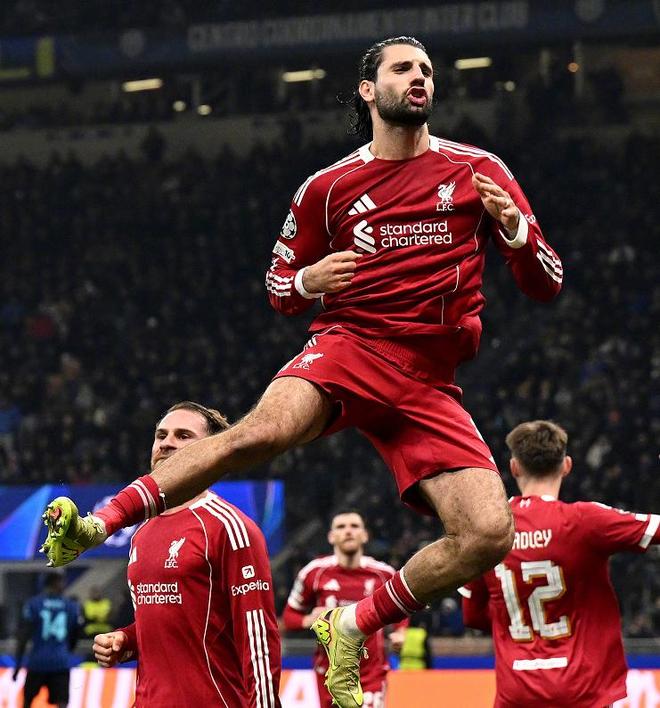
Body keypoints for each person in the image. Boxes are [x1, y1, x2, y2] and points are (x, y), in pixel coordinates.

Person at [42, 36, 562, 707]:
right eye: (404, 68)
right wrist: (307, 281)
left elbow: (547, 282)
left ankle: (352, 624)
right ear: (369, 90)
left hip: (430, 381)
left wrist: (516, 233)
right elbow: (277, 286)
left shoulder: (478, 169)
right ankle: (98, 523)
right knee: (257, 433)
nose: (420, 77)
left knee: (489, 534)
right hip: (351, 347)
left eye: (428, 70)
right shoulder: (327, 187)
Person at [92, 401, 281, 707]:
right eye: (161, 435)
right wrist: (126, 639)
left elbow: (257, 634)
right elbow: (171, 623)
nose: (167, 443)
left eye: (183, 436)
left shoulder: (229, 527)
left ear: (212, 450)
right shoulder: (141, 533)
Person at [459, 420, 660, 707]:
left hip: (516, 690)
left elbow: (472, 616)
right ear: (566, 465)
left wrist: (517, 615)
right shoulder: (585, 521)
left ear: (514, 467)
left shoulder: (488, 531)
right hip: (582, 689)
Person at [282, 510, 406, 707]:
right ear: (331, 537)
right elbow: (289, 617)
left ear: (365, 535)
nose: (348, 531)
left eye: (354, 526)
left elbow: (402, 608)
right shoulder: (314, 573)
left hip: (371, 674)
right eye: (341, 527)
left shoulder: (384, 574)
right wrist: (308, 620)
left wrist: (400, 632)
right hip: (330, 675)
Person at [13, 572, 80, 708]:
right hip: (60, 662)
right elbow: (75, 633)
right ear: (56, 583)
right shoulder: (70, 606)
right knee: (62, 703)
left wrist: (18, 665)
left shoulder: (34, 604)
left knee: (27, 701)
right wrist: (68, 651)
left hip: (37, 662)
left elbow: (23, 637)